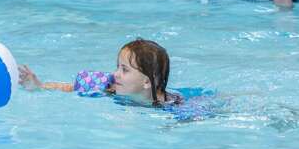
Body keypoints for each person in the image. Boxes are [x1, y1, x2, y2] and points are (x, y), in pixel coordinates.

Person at [18, 38, 184, 106]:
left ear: (147, 82)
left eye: (124, 70)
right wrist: (39, 86)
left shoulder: (172, 106)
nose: (116, 73)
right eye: (118, 66)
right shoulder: (109, 86)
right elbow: (70, 88)